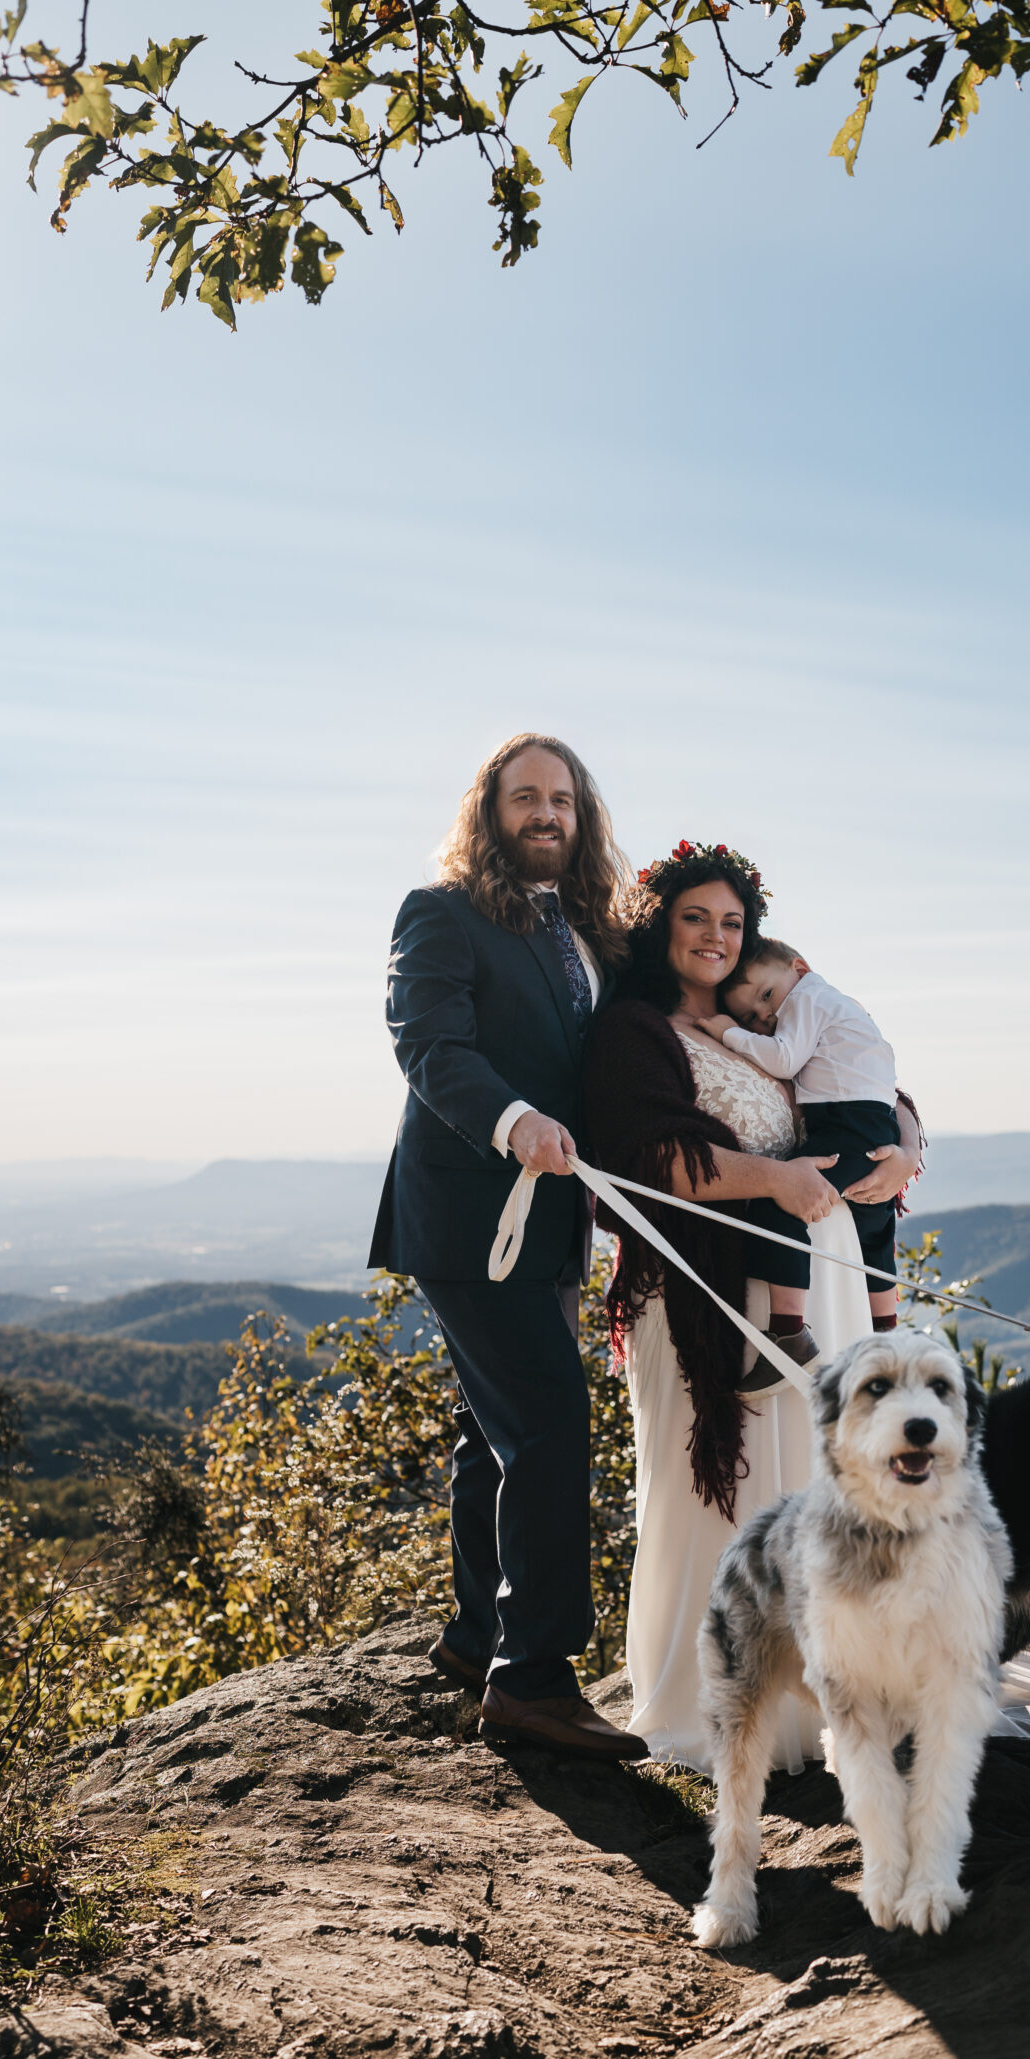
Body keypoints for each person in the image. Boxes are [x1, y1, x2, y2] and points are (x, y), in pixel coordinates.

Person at [584, 842, 923, 1769]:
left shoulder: (763, 1011)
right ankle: (726, 1710)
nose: (715, 937)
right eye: (695, 917)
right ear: (658, 925)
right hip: (710, 1295)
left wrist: (904, 1145)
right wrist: (769, 1178)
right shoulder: (633, 1029)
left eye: (731, 921)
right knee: (725, 1503)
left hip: (823, 1281)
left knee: (818, 1495)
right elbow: (640, 1157)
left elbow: (866, 1085)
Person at [367, 735, 648, 1762]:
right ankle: (531, 1680)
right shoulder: (440, 913)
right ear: (489, 811)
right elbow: (430, 1045)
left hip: (553, 1223)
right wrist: (514, 1119)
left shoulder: (588, 932)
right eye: (525, 797)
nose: (545, 814)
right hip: (468, 1215)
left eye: (561, 799)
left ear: (582, 816)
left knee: (497, 1430)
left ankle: (478, 1633)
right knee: (547, 1421)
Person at [698, 936, 905, 1365]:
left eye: (767, 995)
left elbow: (785, 1060)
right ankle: (886, 1332)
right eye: (752, 1017)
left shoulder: (808, 999)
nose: (767, 1015)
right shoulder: (832, 1003)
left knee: (779, 1207)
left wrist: (731, 1033)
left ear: (800, 967)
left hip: (847, 1121)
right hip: (869, 1119)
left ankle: (789, 1333)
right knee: (874, 1225)